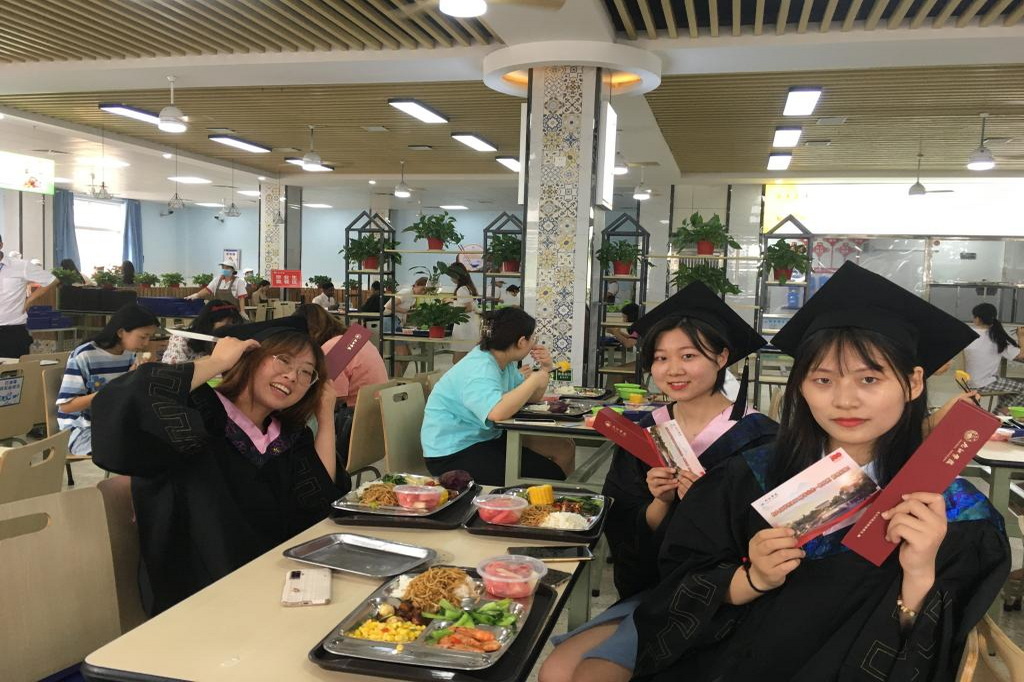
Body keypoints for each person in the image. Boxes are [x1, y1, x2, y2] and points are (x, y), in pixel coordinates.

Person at [631, 263, 1009, 682]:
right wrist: (752, 579)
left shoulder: (952, 511)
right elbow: (677, 590)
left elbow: (946, 653)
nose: (844, 400)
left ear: (913, 382)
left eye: (869, 379)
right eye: (823, 380)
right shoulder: (749, 477)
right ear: (801, 386)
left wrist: (919, 574)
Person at [540, 283, 778, 682]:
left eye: (689, 355)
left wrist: (705, 506)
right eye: (661, 358)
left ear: (722, 357)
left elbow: (769, 537)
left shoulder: (761, 440)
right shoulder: (648, 431)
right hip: (659, 588)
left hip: (728, 598)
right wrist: (660, 503)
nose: (673, 370)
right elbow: (622, 526)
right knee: (555, 671)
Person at [91, 317, 352, 615]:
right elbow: (121, 401)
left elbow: (318, 502)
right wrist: (216, 363)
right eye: (283, 360)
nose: (292, 376)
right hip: (198, 594)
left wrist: (326, 418)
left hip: (275, 587)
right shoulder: (197, 412)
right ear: (249, 357)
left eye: (306, 372)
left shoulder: (288, 436)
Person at [421, 307, 574, 485]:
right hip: (453, 452)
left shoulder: (503, 361)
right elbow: (497, 413)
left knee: (564, 447)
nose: (534, 343)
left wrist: (545, 369)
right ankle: (548, 495)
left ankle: (560, 495)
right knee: (549, 474)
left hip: (486, 437)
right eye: (533, 338)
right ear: (521, 341)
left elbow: (529, 398)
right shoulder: (480, 367)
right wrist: (534, 380)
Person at [56, 303, 159, 456]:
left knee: (159, 445)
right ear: (121, 332)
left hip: (114, 424)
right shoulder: (85, 355)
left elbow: (124, 392)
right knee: (132, 453)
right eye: (143, 337)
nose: (146, 343)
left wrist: (137, 376)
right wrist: (112, 391)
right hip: (82, 430)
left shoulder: (128, 354)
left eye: (150, 337)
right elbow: (66, 406)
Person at [293, 304, 387, 467]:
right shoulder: (352, 338)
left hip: (354, 423)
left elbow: (333, 398)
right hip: (374, 417)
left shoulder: (332, 348)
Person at [0, 235, 58, 358]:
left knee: (13, 368)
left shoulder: (20, 266)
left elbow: (51, 280)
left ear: (1, 245)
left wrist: (29, 300)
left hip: (11, 330)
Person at [961, 302, 1024, 413]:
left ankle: (999, 413)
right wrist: (1021, 336)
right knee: (1021, 388)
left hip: (967, 382)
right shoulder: (997, 338)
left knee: (1006, 387)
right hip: (984, 383)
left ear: (977, 319)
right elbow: (1021, 355)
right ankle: (1002, 413)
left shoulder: (967, 334)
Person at [161, 299, 245, 364]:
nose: (230, 328)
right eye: (226, 324)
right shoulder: (181, 339)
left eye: (233, 323)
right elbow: (174, 371)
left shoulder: (233, 341)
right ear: (209, 322)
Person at [385, 277, 427, 377]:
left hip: (397, 322)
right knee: (402, 354)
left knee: (408, 355)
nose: (423, 293)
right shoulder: (406, 293)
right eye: (422, 289)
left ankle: (399, 379)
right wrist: (406, 312)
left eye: (425, 291)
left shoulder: (413, 298)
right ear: (416, 285)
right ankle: (396, 380)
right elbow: (389, 306)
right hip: (389, 320)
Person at [446, 261, 481, 364]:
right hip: (470, 326)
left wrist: (452, 305)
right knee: (467, 360)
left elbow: (468, 307)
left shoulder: (461, 289)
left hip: (464, 329)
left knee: (458, 361)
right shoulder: (468, 287)